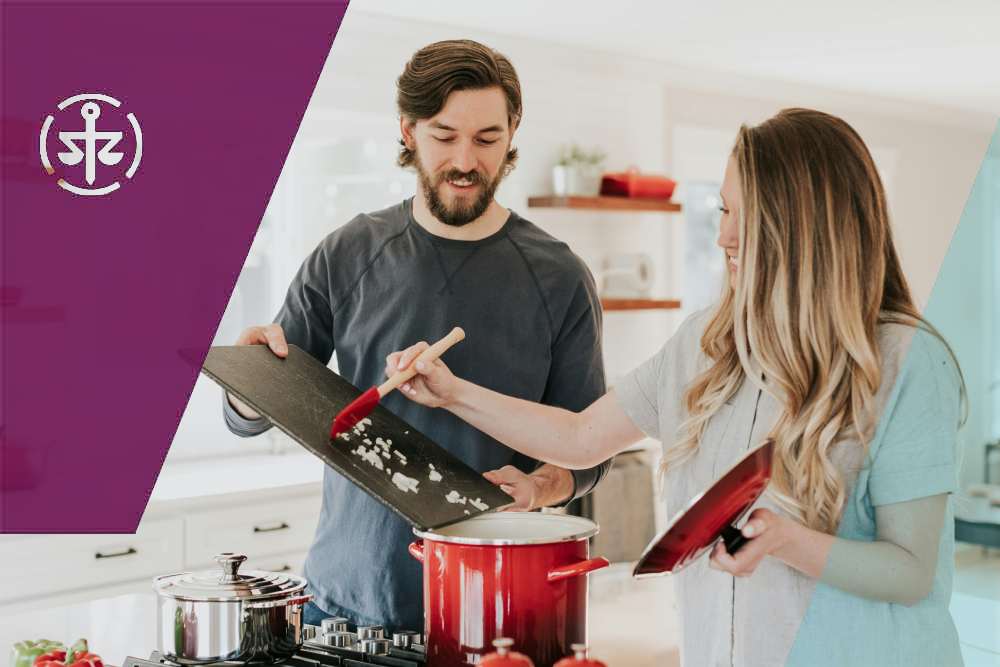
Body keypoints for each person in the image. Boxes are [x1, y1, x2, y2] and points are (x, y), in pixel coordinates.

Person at [390, 108, 965, 666]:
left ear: (807, 226)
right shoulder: (706, 344)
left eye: (747, 215)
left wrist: (786, 540)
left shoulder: (905, 361)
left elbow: (912, 571)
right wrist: (451, 391)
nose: (724, 237)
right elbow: (582, 436)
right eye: (722, 210)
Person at [222, 39, 611, 632]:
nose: (465, 160)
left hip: (495, 607)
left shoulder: (559, 277)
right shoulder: (347, 252)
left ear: (512, 134)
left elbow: (589, 451)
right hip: (343, 604)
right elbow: (257, 406)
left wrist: (539, 485)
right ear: (408, 130)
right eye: (444, 135)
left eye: (486, 139)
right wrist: (244, 384)